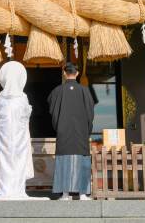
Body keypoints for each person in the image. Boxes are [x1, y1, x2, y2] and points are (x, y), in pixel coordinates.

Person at [48, 61, 95, 200]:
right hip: (81, 132)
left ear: (64, 73)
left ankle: (65, 194)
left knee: (64, 160)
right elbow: (90, 112)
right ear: (78, 73)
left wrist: (59, 126)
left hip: (63, 132)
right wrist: (87, 129)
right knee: (82, 160)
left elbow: (52, 111)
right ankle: (82, 194)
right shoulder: (85, 91)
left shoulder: (57, 91)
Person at [0, 61, 34, 199]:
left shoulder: (0, 98)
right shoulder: (23, 98)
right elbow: (27, 114)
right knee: (19, 159)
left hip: (4, 135)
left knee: (4, 159)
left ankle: (5, 188)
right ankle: (18, 189)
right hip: (19, 135)